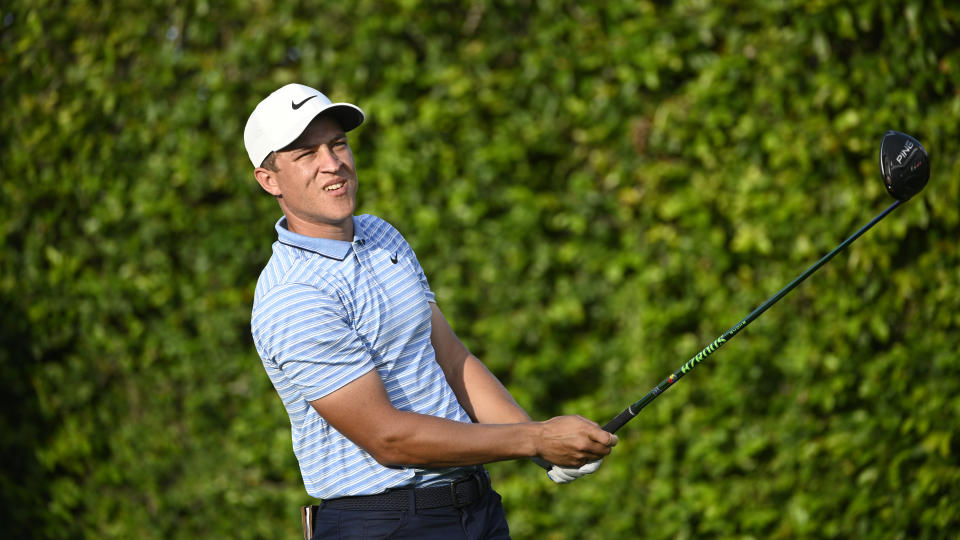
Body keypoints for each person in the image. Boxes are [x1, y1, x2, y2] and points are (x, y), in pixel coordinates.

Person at [245, 83, 617, 539]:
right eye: (306, 154)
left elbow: (452, 359)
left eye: (337, 143)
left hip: (475, 508)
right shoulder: (292, 296)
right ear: (270, 180)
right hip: (383, 524)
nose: (332, 162)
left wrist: (539, 442)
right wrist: (534, 438)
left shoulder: (381, 236)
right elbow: (388, 438)